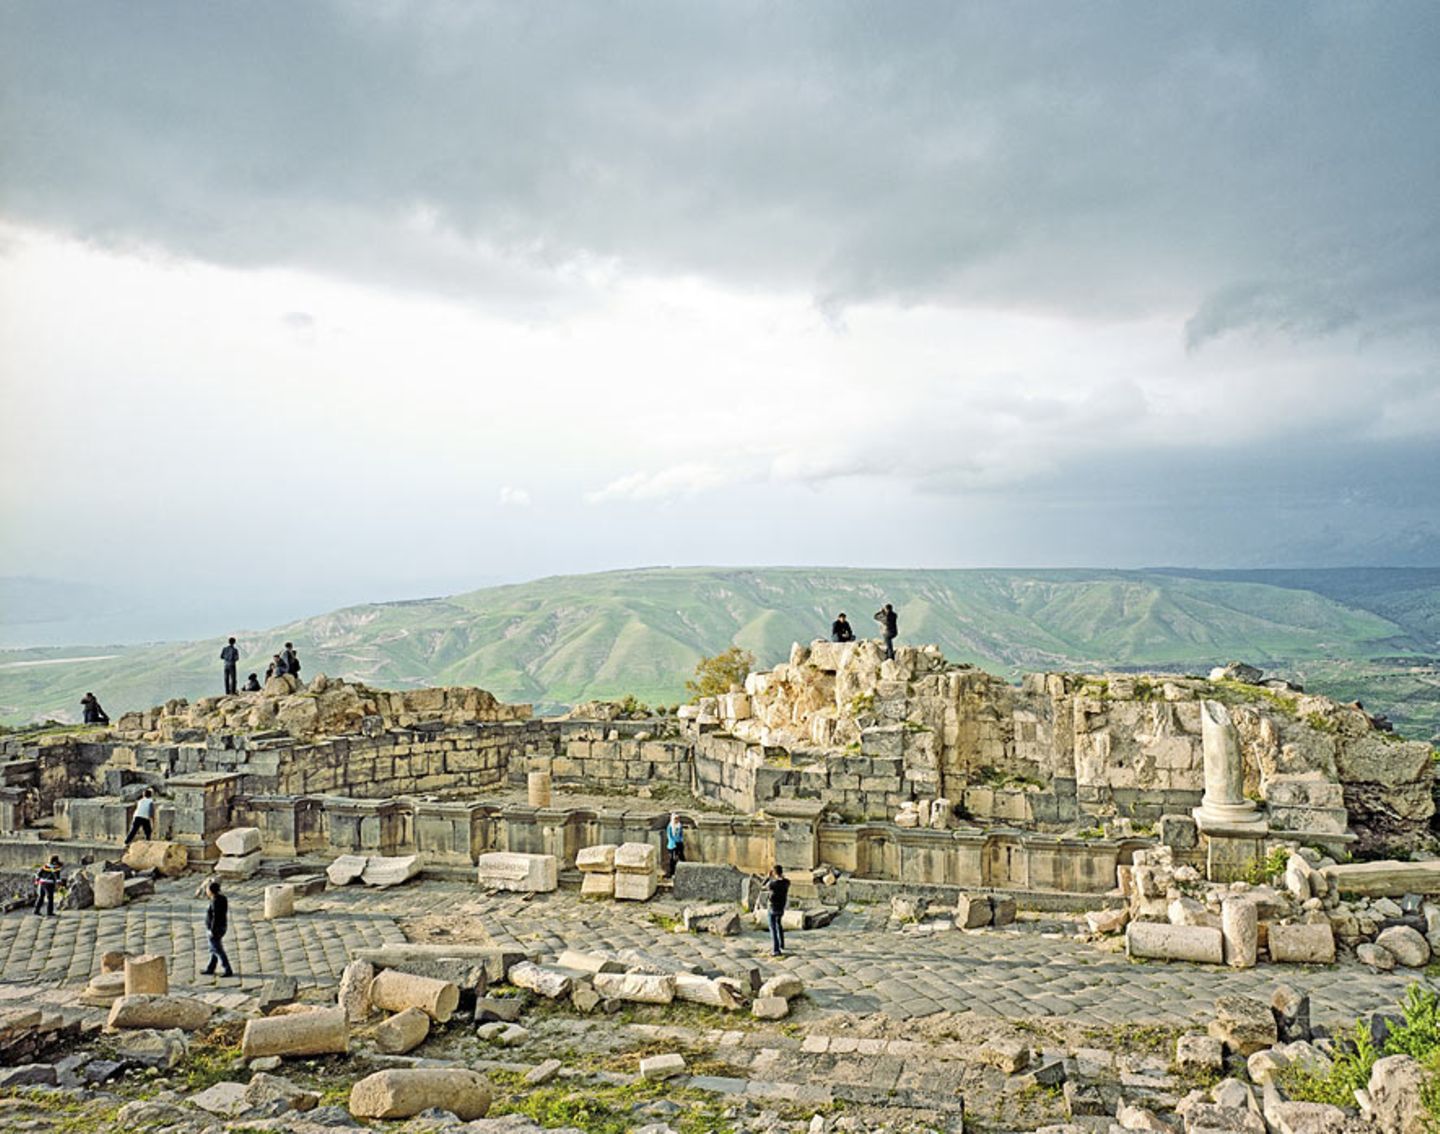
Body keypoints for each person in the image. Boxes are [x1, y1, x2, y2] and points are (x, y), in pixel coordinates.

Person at [202, 879, 234, 978]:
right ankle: (210, 968)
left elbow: (215, 917)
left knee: (218, 950)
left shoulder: (215, 901)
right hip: (222, 926)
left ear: (211, 891)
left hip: (215, 929)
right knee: (213, 949)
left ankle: (227, 969)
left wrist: (212, 930)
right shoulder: (222, 898)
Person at [762, 864, 790, 956]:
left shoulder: (772, 884)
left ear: (774, 873)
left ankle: (776, 949)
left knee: (773, 928)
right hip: (781, 907)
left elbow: (762, 886)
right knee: (779, 925)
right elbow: (784, 880)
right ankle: (782, 944)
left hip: (772, 908)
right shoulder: (787, 883)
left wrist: (768, 877)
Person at [663, 813, 685, 878]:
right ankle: (671, 872)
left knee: (681, 857)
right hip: (672, 844)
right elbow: (669, 836)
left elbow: (681, 834)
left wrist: (680, 840)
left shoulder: (679, 825)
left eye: (678, 819)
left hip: (679, 843)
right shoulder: (670, 826)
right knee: (672, 859)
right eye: (675, 819)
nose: (677, 820)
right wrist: (673, 842)